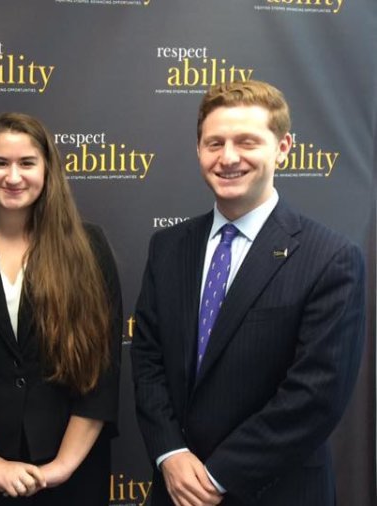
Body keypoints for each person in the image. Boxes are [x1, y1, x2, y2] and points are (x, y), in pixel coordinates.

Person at [131, 80, 365, 506]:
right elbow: (147, 360)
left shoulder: (331, 258)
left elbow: (315, 396)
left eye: (247, 141)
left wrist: (216, 477)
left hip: (278, 491)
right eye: (214, 142)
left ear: (283, 147)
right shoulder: (167, 248)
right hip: (175, 489)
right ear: (198, 150)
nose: (229, 157)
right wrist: (171, 453)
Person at [0, 112, 122, 505]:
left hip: (74, 472)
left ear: (47, 169)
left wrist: (63, 466)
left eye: (27, 163)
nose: (13, 177)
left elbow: (104, 368)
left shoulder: (88, 246)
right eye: (0, 163)